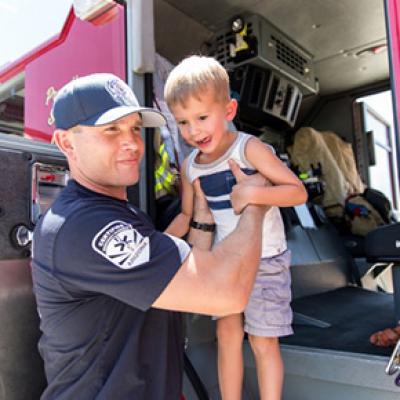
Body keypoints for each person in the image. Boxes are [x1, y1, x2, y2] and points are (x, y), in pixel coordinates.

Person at [31, 72, 268, 400]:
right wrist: (257, 202)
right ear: (66, 142)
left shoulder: (125, 215)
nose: (131, 142)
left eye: (134, 128)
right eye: (111, 130)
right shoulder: (81, 225)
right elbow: (226, 293)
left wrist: (199, 217)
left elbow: (188, 287)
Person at [164, 56, 308, 400]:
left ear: (228, 110)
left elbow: (296, 191)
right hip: (225, 264)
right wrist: (159, 245)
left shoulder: (250, 149)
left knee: (262, 339)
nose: (193, 131)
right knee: (227, 335)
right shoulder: (190, 166)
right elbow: (186, 216)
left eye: (201, 117)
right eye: (182, 122)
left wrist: (253, 193)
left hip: (266, 261)